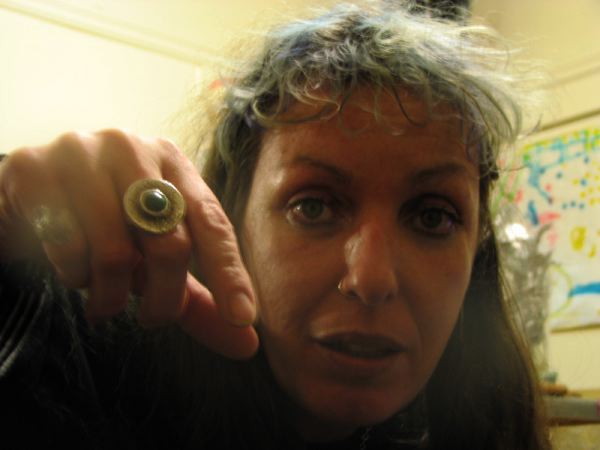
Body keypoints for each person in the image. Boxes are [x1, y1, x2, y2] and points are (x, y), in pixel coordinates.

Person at [0, 1, 550, 449]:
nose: (371, 279)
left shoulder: (481, 425)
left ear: (476, 248)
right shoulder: (90, 352)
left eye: (432, 217)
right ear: (231, 216)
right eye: (313, 207)